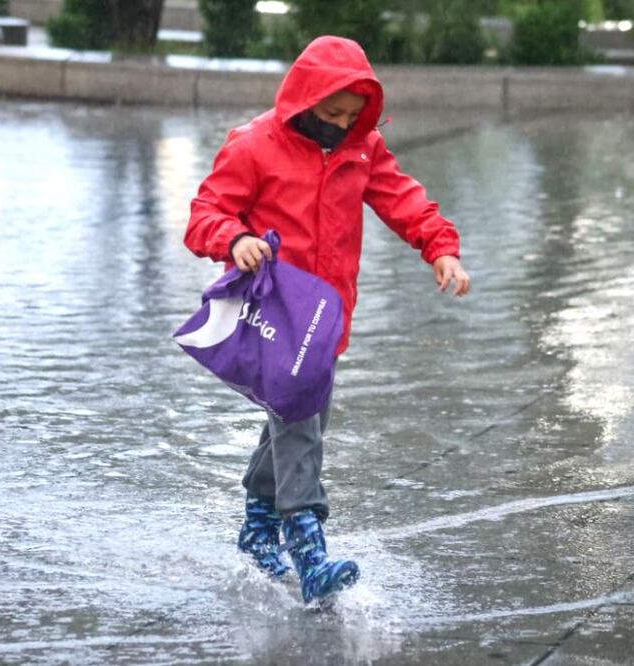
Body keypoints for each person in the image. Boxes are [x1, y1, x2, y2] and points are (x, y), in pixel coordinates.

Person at [183, 35, 471, 605]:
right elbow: (204, 215)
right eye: (330, 113)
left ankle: (258, 525)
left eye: (351, 117)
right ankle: (307, 543)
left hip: (326, 316)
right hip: (273, 314)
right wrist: (234, 237)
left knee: (295, 423)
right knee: (301, 425)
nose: (340, 126)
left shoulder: (362, 149)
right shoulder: (255, 144)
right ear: (303, 98)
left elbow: (402, 198)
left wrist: (440, 246)